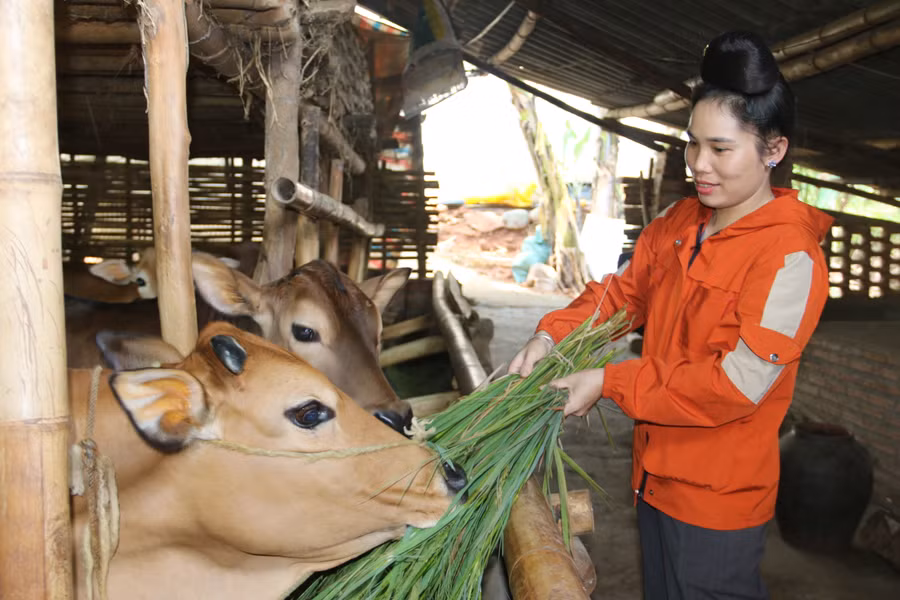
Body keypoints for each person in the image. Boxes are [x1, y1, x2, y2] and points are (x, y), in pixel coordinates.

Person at [508, 31, 832, 599]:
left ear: (773, 150)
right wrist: (549, 335)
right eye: (692, 145)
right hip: (653, 478)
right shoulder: (681, 223)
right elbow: (621, 296)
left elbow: (735, 385)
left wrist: (610, 381)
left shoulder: (789, 257)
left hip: (717, 501)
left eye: (720, 149)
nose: (699, 165)